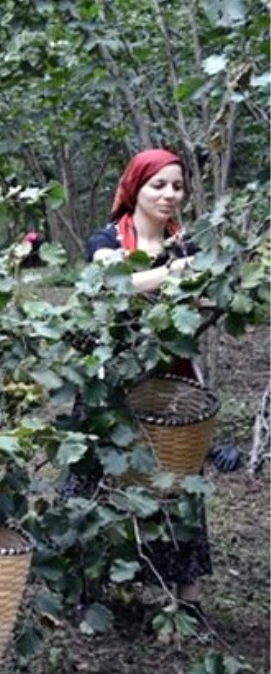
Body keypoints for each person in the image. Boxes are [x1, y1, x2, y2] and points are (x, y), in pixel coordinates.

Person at [78, 148, 212, 604]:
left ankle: (187, 596)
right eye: (159, 185)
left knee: (177, 477)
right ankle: (103, 584)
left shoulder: (187, 245)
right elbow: (113, 283)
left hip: (173, 382)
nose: (170, 194)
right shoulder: (107, 241)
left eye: (177, 186)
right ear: (135, 188)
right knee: (111, 476)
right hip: (116, 377)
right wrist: (173, 273)